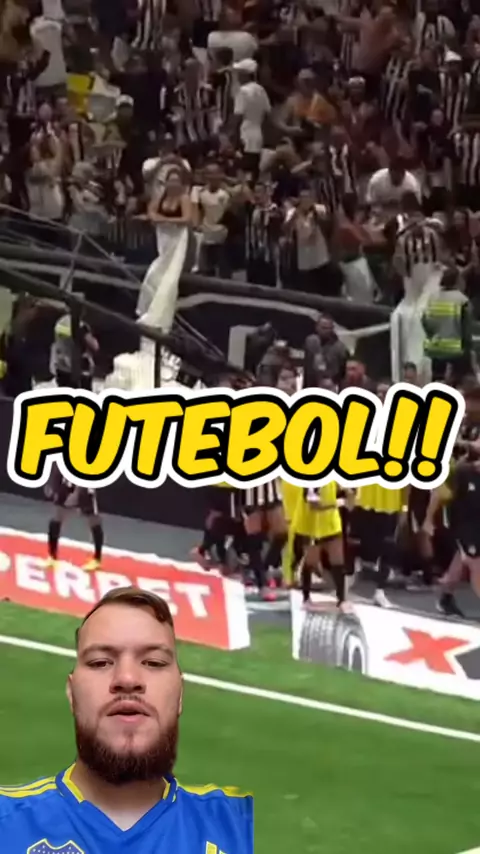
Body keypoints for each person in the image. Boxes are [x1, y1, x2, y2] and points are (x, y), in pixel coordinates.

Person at [0, 586, 253, 852]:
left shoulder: (239, 825)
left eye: (154, 662)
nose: (127, 679)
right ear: (72, 694)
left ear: (180, 694)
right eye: (100, 662)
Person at [45, 463, 104, 571]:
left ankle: (97, 559)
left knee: (93, 519)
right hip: (69, 478)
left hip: (86, 479)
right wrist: (54, 483)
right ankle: (52, 556)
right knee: (57, 515)